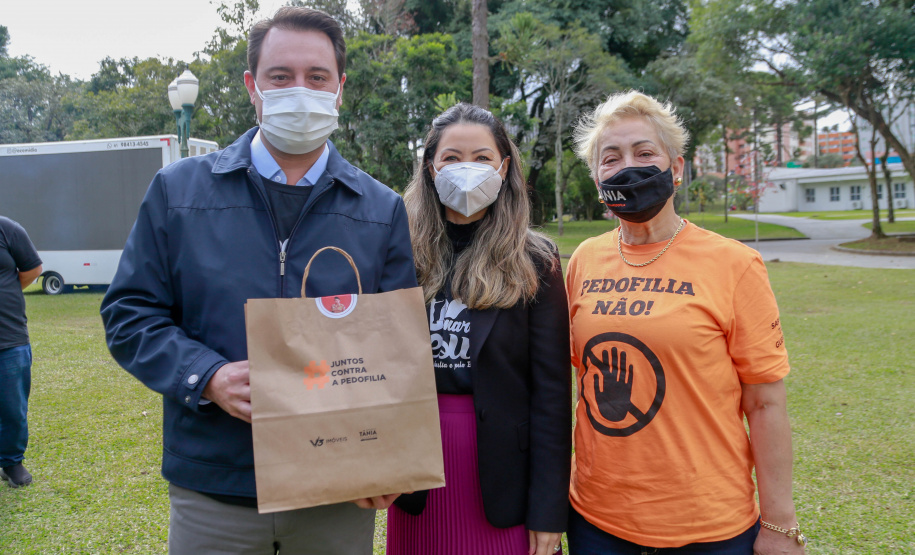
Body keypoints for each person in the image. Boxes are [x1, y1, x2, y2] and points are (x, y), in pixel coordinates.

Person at [100, 7, 416, 554]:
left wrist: (387, 457)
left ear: (340, 89)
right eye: (280, 76)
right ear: (253, 86)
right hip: (214, 487)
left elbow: (397, 349)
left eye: (317, 77)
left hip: (336, 490)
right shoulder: (178, 192)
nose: (300, 90)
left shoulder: (380, 209)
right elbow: (130, 313)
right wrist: (208, 377)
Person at [564, 91, 807, 555]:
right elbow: (579, 380)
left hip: (708, 526)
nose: (627, 167)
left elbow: (765, 404)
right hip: (597, 521)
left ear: (675, 168)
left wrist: (779, 523)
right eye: (610, 158)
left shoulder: (735, 263)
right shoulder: (584, 261)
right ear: (598, 180)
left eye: (644, 152)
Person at [387, 103, 572, 555]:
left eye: (482, 158)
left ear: (504, 167)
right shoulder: (397, 254)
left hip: (502, 474)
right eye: (451, 158)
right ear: (430, 168)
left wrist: (548, 510)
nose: (466, 169)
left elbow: (551, 396)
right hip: (416, 476)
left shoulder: (535, 262)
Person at [0, 216, 42, 488]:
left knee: (13, 407)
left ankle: (12, 461)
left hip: (9, 336)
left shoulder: (8, 229)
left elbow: (32, 269)